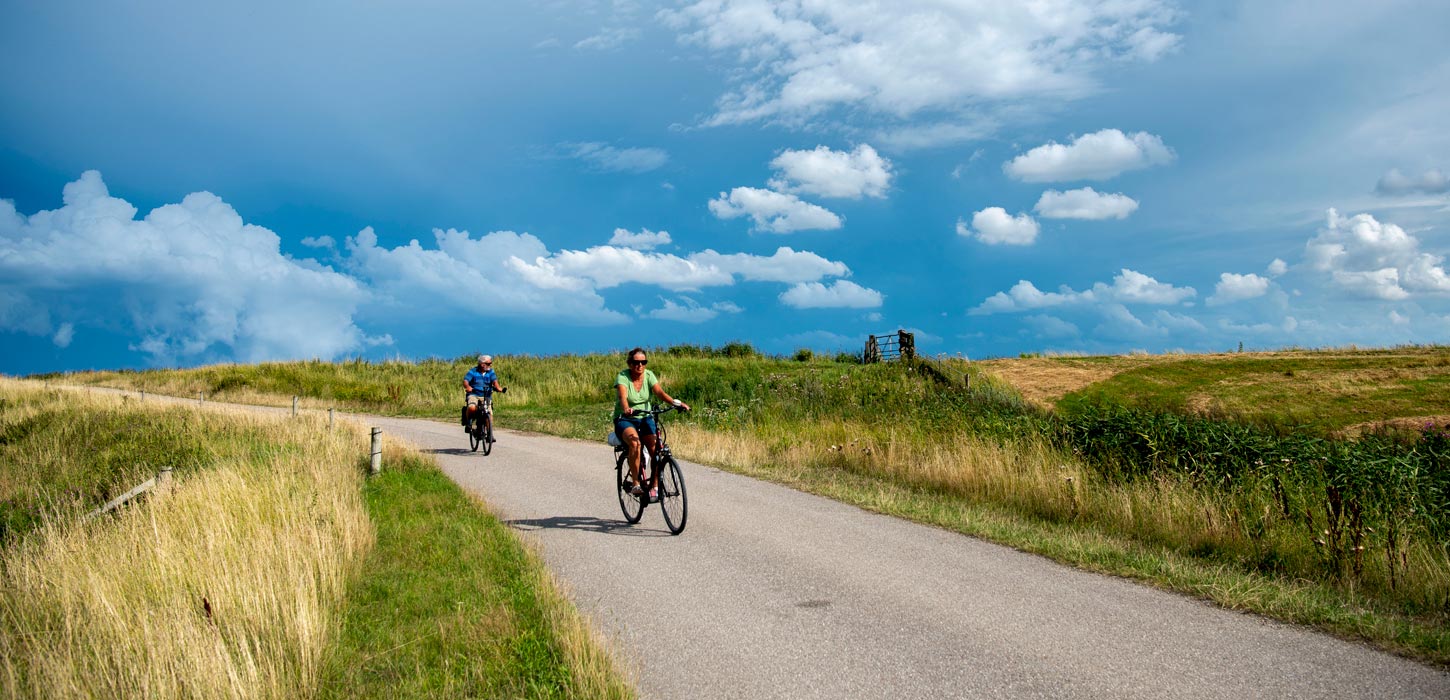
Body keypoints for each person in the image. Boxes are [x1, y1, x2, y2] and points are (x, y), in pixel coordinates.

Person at [614, 347, 689, 498]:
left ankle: (654, 486)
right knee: (635, 443)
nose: (640, 365)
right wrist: (626, 408)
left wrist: (676, 404)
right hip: (626, 419)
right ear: (630, 363)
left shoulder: (649, 375)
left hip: (645, 417)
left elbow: (660, 393)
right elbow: (622, 397)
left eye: (643, 362)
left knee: (656, 449)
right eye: (636, 362)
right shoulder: (623, 376)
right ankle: (636, 483)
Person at [462, 354, 506, 438]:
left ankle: (489, 434)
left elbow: (494, 381)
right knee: (472, 407)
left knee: (489, 413)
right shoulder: (473, 371)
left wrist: (498, 388)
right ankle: (468, 423)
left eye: (490, 363)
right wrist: (468, 387)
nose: (490, 365)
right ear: (482, 364)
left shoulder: (491, 372)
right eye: (488, 363)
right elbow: (466, 381)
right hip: (474, 394)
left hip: (486, 395)